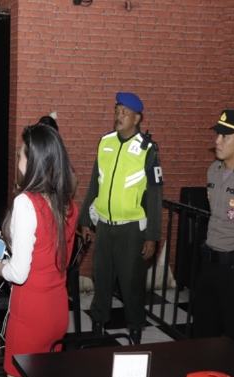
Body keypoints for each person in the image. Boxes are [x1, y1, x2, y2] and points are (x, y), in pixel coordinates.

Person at [0, 123, 78, 377]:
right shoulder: (67, 203)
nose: (18, 159)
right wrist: (7, 264)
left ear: (34, 160)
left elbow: (20, 273)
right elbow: (49, 258)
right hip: (58, 311)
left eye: (21, 154)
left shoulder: (26, 202)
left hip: (30, 315)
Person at [78, 92, 163, 345]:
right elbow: (95, 183)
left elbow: (155, 195)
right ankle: (98, 324)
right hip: (104, 226)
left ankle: (135, 329)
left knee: (131, 283)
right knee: (102, 279)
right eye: (117, 110)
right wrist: (85, 219)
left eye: (125, 112)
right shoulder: (105, 142)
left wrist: (152, 236)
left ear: (137, 118)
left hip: (132, 230)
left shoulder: (147, 149)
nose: (119, 116)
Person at [193, 110, 234, 345]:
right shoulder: (213, 170)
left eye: (225, 136)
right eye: (218, 135)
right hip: (209, 264)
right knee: (203, 333)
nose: (217, 141)